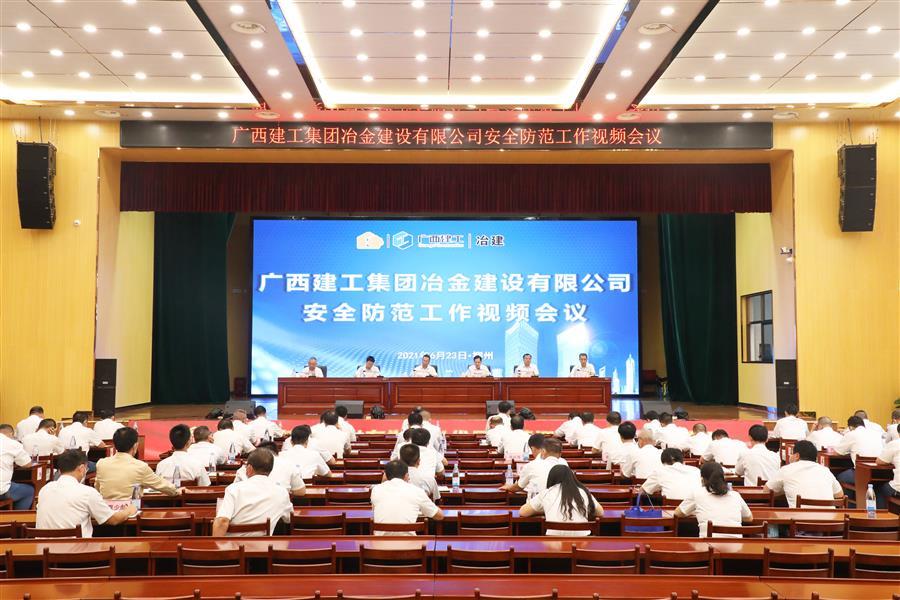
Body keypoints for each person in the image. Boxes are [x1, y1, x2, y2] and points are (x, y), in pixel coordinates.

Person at [36, 449, 136, 537]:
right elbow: (113, 520)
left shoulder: (44, 489)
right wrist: (128, 510)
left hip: (43, 550)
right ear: (82, 468)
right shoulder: (87, 493)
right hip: (77, 550)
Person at [212, 448, 293, 536]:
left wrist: (215, 544)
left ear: (249, 468)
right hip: (264, 544)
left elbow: (222, 521)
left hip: (233, 544)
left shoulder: (234, 489)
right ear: (270, 470)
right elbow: (289, 518)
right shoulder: (282, 492)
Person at [95, 427, 178, 500]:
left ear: (114, 445)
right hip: (131, 510)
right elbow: (161, 485)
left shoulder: (101, 463)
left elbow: (98, 488)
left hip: (106, 510)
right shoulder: (140, 466)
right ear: (135, 446)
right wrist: (176, 490)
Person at [520, 464, 603, 536]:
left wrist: (545, 509)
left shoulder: (546, 493)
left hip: (553, 543)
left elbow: (523, 512)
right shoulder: (583, 491)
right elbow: (600, 512)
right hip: (582, 542)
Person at [675, 462, 753, 537]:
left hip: (708, 544)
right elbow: (749, 518)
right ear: (723, 478)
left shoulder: (697, 493)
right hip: (736, 544)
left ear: (702, 479)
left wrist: (695, 511)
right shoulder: (735, 495)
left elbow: (677, 513)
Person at [370, 460, 444, 535]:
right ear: (406, 475)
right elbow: (439, 516)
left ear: (385, 475)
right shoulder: (416, 491)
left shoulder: (376, 490)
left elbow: (375, 511)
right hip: (409, 542)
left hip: (380, 542)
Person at [765, 440, 843, 507]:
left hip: (800, 519)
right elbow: (839, 495)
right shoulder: (825, 470)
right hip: (830, 519)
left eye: (792, 454)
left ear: (797, 456)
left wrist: (785, 488)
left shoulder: (787, 469)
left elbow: (766, 491)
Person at [503, 436, 567, 496]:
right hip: (559, 501)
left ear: (543, 451)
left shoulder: (531, 465)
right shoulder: (564, 463)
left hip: (537, 502)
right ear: (560, 454)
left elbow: (518, 487)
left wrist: (508, 487)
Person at [834, 415, 884, 486]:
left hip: (861, 473)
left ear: (850, 427)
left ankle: (851, 493)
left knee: (839, 477)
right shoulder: (876, 434)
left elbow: (837, 452)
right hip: (880, 472)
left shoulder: (851, 434)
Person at [0, 424, 34, 510]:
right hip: (1, 491)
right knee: (29, 491)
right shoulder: (12, 443)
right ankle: (16, 517)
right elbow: (27, 464)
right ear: (11, 434)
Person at [875, 425, 900, 508]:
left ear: (898, 433)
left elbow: (880, 461)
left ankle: (881, 515)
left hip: (898, 488)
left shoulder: (895, 443)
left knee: (878, 489)